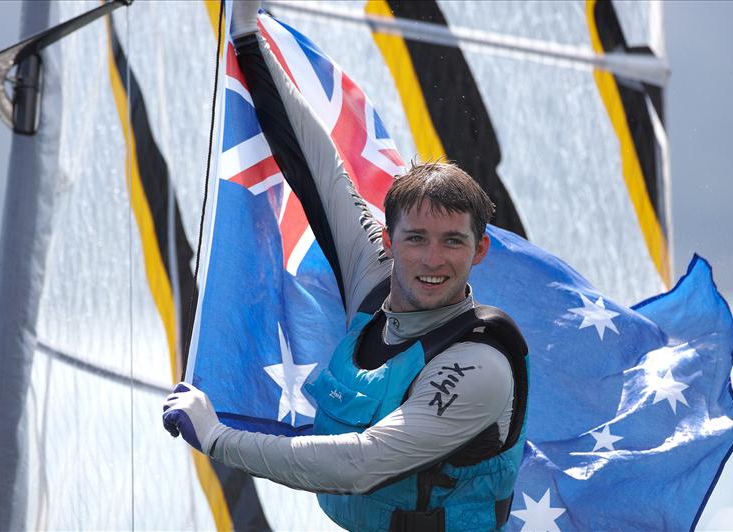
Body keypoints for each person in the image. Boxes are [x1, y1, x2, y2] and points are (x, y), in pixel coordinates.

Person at [163, 4, 528, 530]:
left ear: (479, 251)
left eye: (452, 242)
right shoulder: (373, 273)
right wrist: (246, 35)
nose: (431, 259)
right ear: (388, 239)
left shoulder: (478, 368)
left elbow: (360, 464)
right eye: (416, 239)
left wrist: (219, 439)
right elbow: (317, 162)